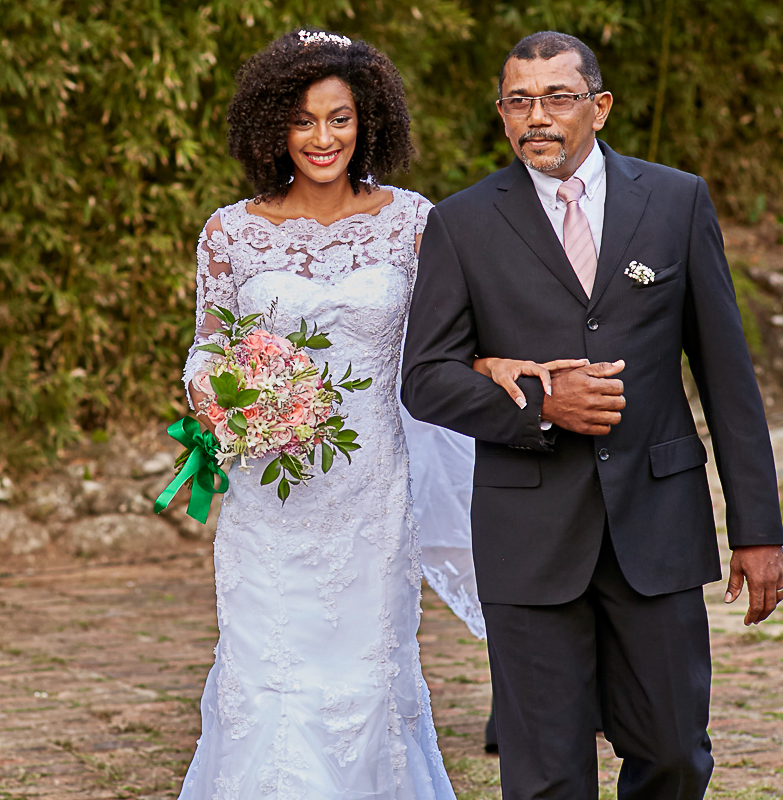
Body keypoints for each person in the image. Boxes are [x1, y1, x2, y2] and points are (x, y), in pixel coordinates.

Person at [402, 31, 783, 800]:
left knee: (677, 753)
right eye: (518, 101)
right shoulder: (462, 222)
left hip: (658, 524)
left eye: (556, 98)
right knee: (545, 775)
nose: (535, 117)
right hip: (529, 538)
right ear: (502, 114)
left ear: (599, 107)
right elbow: (424, 379)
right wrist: (544, 406)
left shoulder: (677, 201)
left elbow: (727, 377)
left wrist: (758, 529)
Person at [175, 29, 533, 799]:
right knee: (263, 668)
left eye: (339, 118)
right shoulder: (230, 231)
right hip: (270, 493)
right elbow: (207, 349)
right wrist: (223, 398)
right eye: (303, 121)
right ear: (274, 126)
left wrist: (495, 361)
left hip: (374, 485)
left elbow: (449, 341)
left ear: (368, 121)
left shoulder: (411, 222)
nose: (322, 138)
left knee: (368, 669)